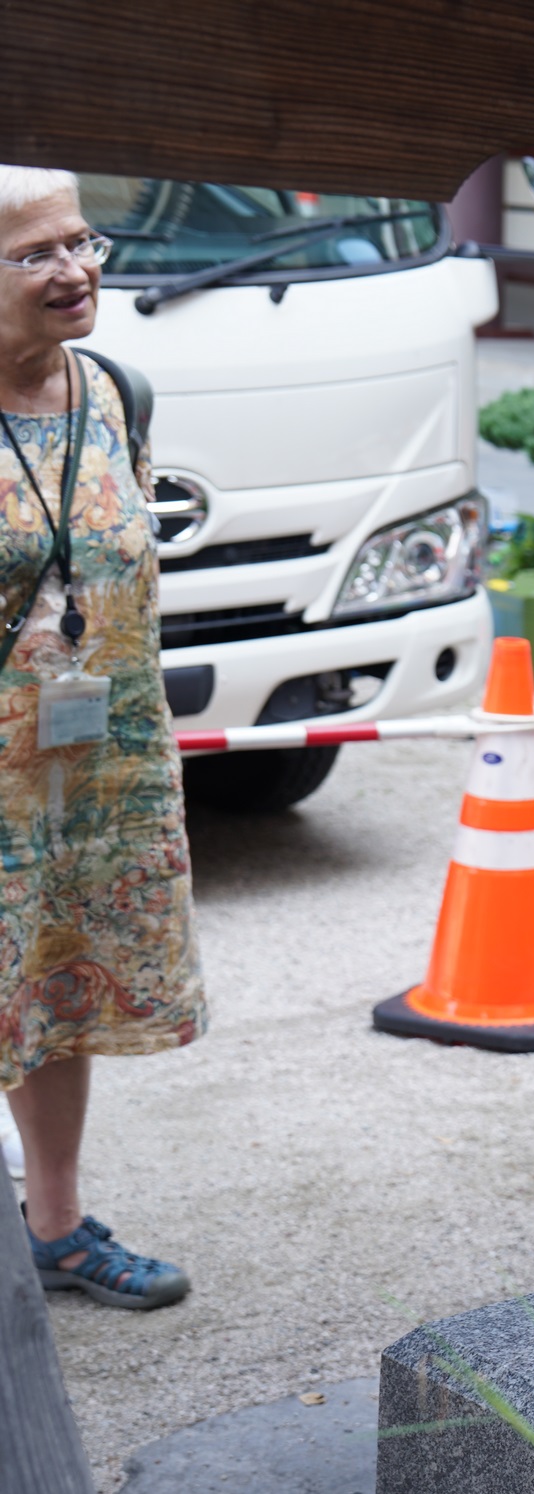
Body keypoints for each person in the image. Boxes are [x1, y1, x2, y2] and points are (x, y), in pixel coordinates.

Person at [0, 167, 200, 1308]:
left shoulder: (111, 392)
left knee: (55, 985)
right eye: (35, 254)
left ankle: (56, 1226)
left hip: (90, 769)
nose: (75, 271)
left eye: (83, 243)